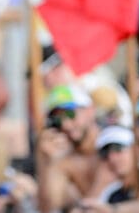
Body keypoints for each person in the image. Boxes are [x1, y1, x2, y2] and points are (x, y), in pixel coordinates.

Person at [35, 84, 100, 212]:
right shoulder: (63, 162)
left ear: (90, 110)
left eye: (70, 114)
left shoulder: (115, 145)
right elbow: (48, 208)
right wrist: (44, 160)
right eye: (57, 119)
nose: (65, 124)